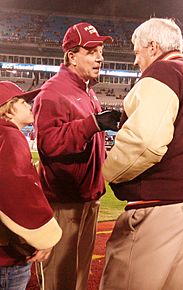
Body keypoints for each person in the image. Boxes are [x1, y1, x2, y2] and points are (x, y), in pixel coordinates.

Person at [100, 18, 183, 290]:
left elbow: (145, 142)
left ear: (152, 46)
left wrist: (104, 174)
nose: (136, 61)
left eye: (137, 52)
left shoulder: (164, 72)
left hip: (158, 204)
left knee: (124, 282)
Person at [33, 22, 121, 290]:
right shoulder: (52, 92)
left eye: (101, 51)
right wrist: (92, 124)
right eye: (92, 51)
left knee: (80, 276)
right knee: (60, 279)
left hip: (88, 199)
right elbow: (48, 144)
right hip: (64, 202)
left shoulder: (88, 91)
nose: (100, 57)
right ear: (71, 55)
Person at [0, 81, 62, 290]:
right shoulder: (10, 136)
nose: (29, 105)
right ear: (7, 110)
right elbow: (17, 189)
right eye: (21, 101)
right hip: (8, 257)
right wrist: (44, 236)